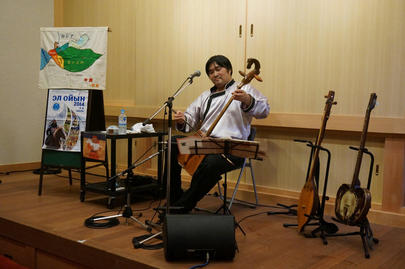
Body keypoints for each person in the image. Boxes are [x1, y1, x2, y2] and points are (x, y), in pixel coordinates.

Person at [165, 55, 270, 213]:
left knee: (211, 163)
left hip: (232, 148)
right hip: (204, 144)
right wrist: (182, 120)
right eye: (210, 72)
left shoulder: (244, 89)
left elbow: (264, 110)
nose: (215, 74)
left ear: (229, 70)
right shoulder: (205, 96)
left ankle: (181, 207)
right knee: (173, 145)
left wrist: (248, 99)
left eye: (218, 69)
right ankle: (174, 197)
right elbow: (190, 121)